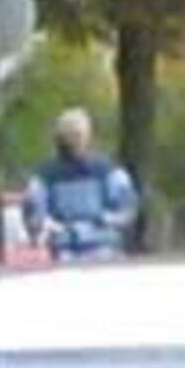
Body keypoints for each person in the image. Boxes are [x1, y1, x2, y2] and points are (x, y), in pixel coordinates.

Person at [22, 107, 139, 260]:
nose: (72, 141)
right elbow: (35, 215)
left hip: (102, 250)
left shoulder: (108, 172)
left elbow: (128, 209)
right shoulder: (109, 171)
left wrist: (106, 219)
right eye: (68, 135)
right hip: (71, 251)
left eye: (76, 135)